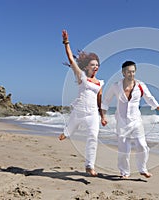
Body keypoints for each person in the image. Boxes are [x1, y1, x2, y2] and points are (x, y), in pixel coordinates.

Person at [101, 61, 159, 179]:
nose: (131, 74)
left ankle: (143, 169)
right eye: (128, 72)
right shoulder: (115, 86)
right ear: (123, 73)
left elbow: (149, 98)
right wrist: (103, 116)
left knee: (142, 145)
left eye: (133, 71)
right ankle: (124, 172)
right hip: (121, 122)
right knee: (123, 149)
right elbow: (106, 101)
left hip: (136, 121)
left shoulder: (140, 86)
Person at [58, 30, 104, 176]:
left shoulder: (100, 83)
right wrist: (66, 42)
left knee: (93, 137)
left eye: (97, 65)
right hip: (78, 111)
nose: (96, 67)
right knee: (71, 128)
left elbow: (99, 100)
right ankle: (67, 131)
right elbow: (71, 59)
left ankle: (89, 166)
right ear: (86, 67)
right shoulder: (81, 76)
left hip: (92, 114)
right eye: (93, 64)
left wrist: (102, 116)